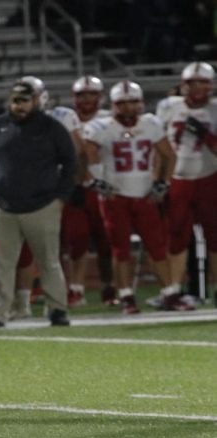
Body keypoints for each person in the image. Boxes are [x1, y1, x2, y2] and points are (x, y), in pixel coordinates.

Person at [0, 81, 76, 329]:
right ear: (10, 101)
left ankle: (57, 309)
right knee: (1, 264)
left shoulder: (51, 127)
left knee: (49, 261)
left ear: (35, 101)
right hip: (4, 205)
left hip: (42, 205)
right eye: (16, 100)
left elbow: (70, 162)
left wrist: (62, 195)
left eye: (25, 100)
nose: (19, 105)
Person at [83, 81, 176, 314]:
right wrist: (96, 180)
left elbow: (169, 156)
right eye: (122, 103)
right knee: (120, 250)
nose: (128, 108)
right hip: (116, 197)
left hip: (145, 195)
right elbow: (85, 152)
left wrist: (163, 183)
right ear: (113, 105)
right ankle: (126, 296)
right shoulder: (101, 127)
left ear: (141, 103)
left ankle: (170, 293)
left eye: (133, 102)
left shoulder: (151, 124)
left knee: (157, 247)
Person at [156, 61, 217, 308]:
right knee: (176, 237)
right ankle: (173, 290)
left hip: (209, 177)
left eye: (203, 82)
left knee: (215, 237)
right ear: (183, 85)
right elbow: (157, 147)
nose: (197, 88)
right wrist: (159, 179)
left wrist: (205, 135)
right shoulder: (169, 107)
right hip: (178, 180)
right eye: (193, 83)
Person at [69, 75, 117, 307]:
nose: (86, 99)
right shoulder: (66, 119)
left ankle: (110, 287)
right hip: (76, 187)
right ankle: (75, 288)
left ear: (101, 97)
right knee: (76, 239)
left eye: (91, 94)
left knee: (107, 241)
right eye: (81, 95)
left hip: (107, 184)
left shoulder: (111, 119)